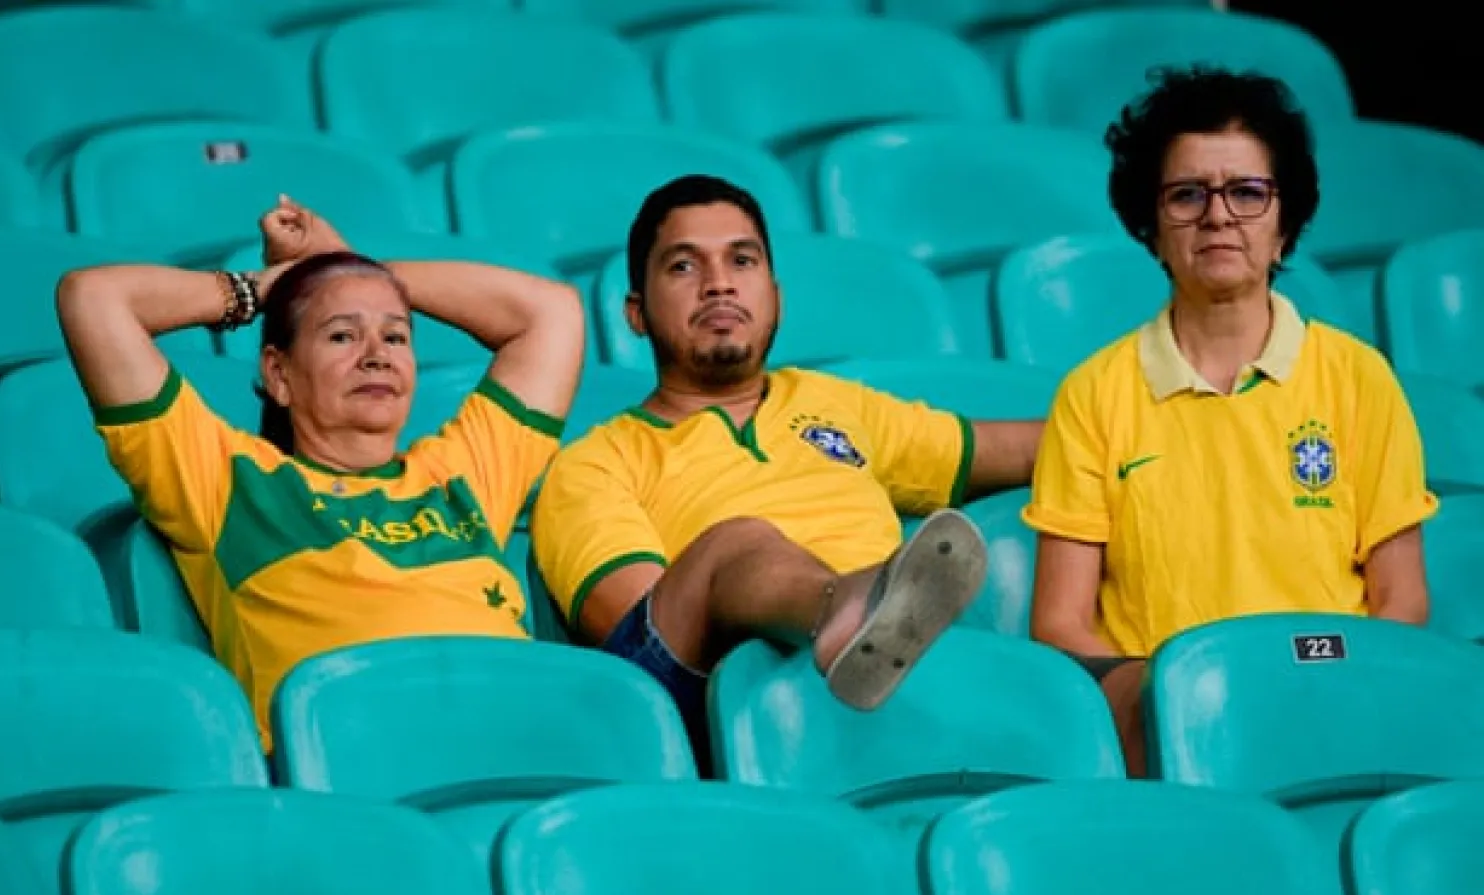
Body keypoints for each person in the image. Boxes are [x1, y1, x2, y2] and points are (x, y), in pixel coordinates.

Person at [530, 175, 1042, 749]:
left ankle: (871, 616)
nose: (719, 285)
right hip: (722, 703)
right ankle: (853, 607)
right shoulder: (595, 462)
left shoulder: (836, 403)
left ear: (775, 296)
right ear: (635, 313)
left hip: (897, 692)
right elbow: (644, 640)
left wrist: (1149, 432)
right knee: (733, 545)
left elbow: (1028, 449)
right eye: (683, 267)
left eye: (742, 261)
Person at [1024, 67, 1437, 775]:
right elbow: (1060, 622)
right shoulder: (1093, 394)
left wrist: (1322, 686)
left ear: (1285, 227)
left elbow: (1402, 599)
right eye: (1188, 195)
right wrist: (1160, 697)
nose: (1218, 216)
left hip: (1333, 713)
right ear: (1152, 229)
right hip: (1173, 737)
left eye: (1247, 193)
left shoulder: (1360, 378)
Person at [58, 197, 584, 749]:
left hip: (514, 747)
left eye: (396, 336)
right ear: (278, 373)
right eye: (341, 335)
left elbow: (552, 312)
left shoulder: (465, 474)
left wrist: (346, 267)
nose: (376, 355)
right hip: (355, 775)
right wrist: (271, 286)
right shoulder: (224, 480)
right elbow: (93, 298)